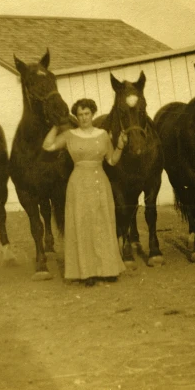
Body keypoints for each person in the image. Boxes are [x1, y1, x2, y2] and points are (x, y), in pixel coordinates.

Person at [42, 98, 127, 286]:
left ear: (93, 114)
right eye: (80, 114)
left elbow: (112, 160)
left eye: (87, 114)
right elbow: (47, 146)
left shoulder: (103, 135)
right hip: (78, 184)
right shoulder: (70, 135)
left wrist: (120, 145)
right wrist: (56, 126)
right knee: (82, 225)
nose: (84, 118)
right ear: (76, 116)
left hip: (99, 183)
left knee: (103, 224)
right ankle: (86, 272)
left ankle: (108, 270)